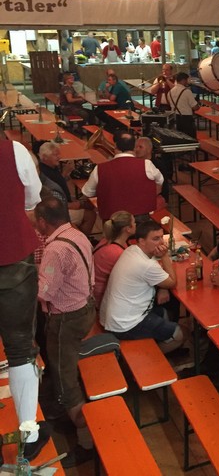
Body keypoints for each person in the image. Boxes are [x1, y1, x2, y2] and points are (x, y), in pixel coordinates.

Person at [34, 196, 96, 467]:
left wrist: (26, 279)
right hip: (85, 308)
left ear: (42, 222)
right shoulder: (76, 234)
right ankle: (67, 411)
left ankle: (86, 441)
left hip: (65, 320)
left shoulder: (55, 249)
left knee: (64, 375)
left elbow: (44, 293)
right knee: (65, 367)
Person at [0, 138, 48, 461]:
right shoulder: (14, 151)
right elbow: (32, 198)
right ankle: (29, 435)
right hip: (11, 253)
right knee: (19, 347)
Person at [100, 219, 184, 353]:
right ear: (141, 241)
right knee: (178, 334)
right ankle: (154, 358)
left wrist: (163, 288)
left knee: (163, 313)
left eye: (161, 237)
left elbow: (159, 276)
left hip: (114, 317)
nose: (161, 243)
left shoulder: (131, 250)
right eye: (155, 239)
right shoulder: (146, 266)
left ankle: (160, 343)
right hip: (124, 325)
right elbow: (172, 282)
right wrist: (165, 256)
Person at [82, 131, 164, 221]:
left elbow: (87, 192)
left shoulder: (99, 168)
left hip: (111, 220)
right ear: (134, 147)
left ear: (115, 146)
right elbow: (160, 180)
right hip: (141, 218)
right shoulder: (147, 164)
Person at [37, 141, 97, 236]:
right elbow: (58, 203)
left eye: (59, 154)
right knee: (90, 215)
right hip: (58, 213)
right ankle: (81, 239)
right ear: (45, 157)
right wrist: (77, 204)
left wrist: (65, 173)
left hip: (62, 203)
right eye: (55, 155)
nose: (59, 157)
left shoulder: (48, 168)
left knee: (88, 205)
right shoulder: (47, 174)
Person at [92, 211, 135, 307]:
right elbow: (132, 277)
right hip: (102, 298)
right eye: (134, 222)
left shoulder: (107, 240)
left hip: (97, 290)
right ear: (128, 229)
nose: (136, 225)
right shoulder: (117, 252)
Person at [167, 72, 200, 138]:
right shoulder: (187, 91)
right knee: (190, 139)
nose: (187, 82)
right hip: (186, 119)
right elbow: (195, 107)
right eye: (187, 80)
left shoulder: (170, 92)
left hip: (174, 118)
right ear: (183, 80)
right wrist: (198, 105)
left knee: (179, 139)